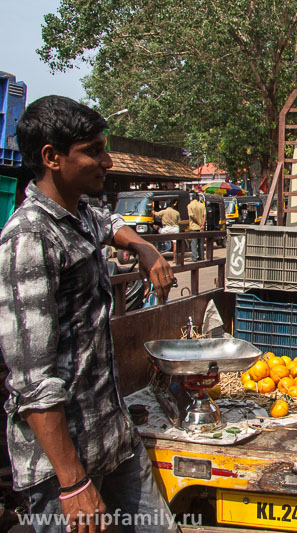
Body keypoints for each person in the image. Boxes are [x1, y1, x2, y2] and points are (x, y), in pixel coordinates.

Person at [0, 96, 178, 533]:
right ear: (52, 158)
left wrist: (141, 246)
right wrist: (73, 481)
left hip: (113, 437)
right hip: (63, 461)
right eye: (94, 150)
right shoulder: (29, 239)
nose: (107, 159)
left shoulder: (78, 214)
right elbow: (33, 384)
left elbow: (109, 221)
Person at [187, 192, 206, 261]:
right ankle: (201, 257)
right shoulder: (202, 205)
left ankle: (194, 258)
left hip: (193, 227)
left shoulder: (190, 205)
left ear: (192, 198)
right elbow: (204, 216)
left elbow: (191, 215)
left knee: (194, 244)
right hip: (201, 228)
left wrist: (198, 223)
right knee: (201, 243)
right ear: (198, 197)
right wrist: (202, 225)